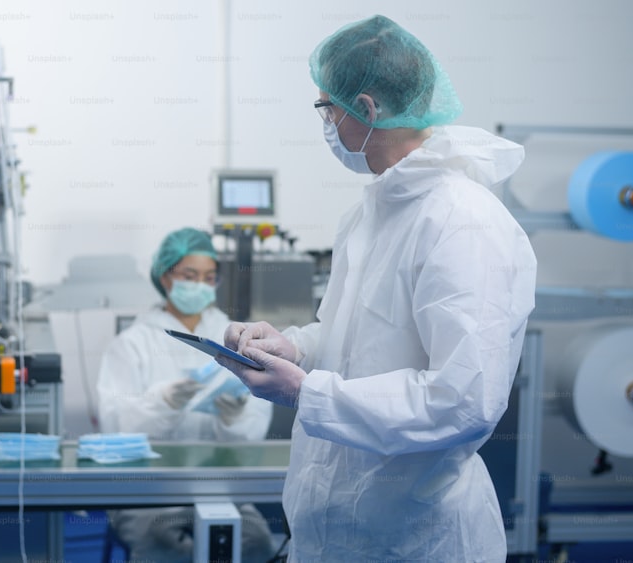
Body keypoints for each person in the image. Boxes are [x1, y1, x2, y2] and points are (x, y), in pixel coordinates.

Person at [216, 15, 537, 562]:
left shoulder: (463, 221)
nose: (324, 122)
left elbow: (463, 400)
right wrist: (293, 348)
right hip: (339, 529)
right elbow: (348, 338)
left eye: (326, 107)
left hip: (416, 537)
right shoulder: (370, 213)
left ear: (365, 109)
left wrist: (304, 391)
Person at [96, 227, 276, 563]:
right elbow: (114, 426)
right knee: (165, 548)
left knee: (256, 545)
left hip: (220, 487)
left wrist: (235, 416)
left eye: (209, 277)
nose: (200, 285)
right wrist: (162, 403)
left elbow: (255, 427)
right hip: (148, 493)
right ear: (165, 277)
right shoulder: (132, 344)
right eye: (189, 275)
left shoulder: (233, 338)